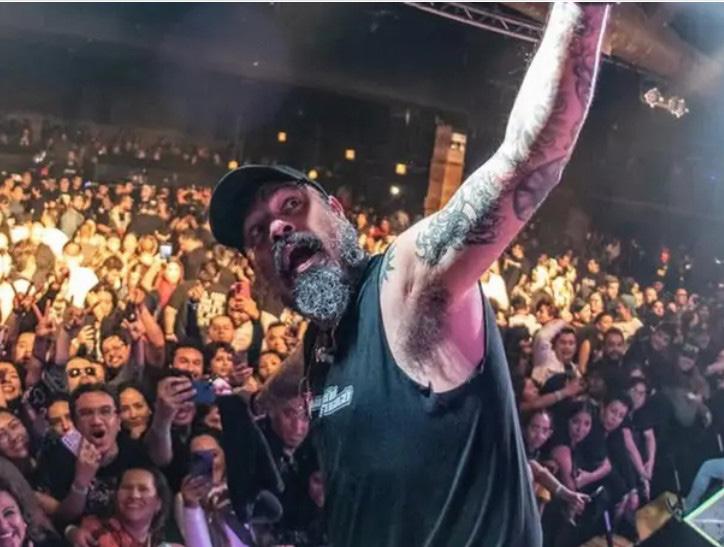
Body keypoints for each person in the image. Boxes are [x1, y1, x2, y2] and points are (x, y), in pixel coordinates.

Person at [209, 4, 609, 544]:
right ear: (257, 268)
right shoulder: (321, 341)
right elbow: (298, 371)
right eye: (258, 233)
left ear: (338, 213)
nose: (277, 228)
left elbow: (531, 153)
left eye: (292, 205)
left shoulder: (407, 283)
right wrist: (257, 400)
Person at [78, 466, 173, 547]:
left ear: (159, 503)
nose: (134, 495)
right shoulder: (95, 533)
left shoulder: (161, 542)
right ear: (116, 496)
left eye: (143, 489)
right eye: (127, 488)